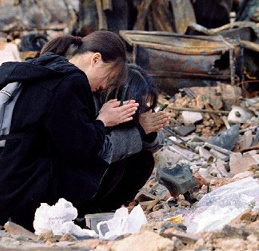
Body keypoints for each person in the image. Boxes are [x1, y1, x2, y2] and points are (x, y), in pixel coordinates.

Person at [0, 31, 139, 230]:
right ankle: (87, 214)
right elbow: (80, 147)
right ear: (96, 59)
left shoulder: (41, 68)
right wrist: (103, 120)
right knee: (95, 157)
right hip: (22, 199)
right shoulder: (72, 81)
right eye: (109, 77)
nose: (103, 86)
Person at [40, 40, 169, 212]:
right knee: (114, 165)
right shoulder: (91, 102)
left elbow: (155, 142)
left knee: (143, 160)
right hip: (62, 180)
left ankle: (106, 210)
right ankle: (88, 211)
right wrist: (138, 131)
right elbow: (97, 150)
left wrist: (149, 132)